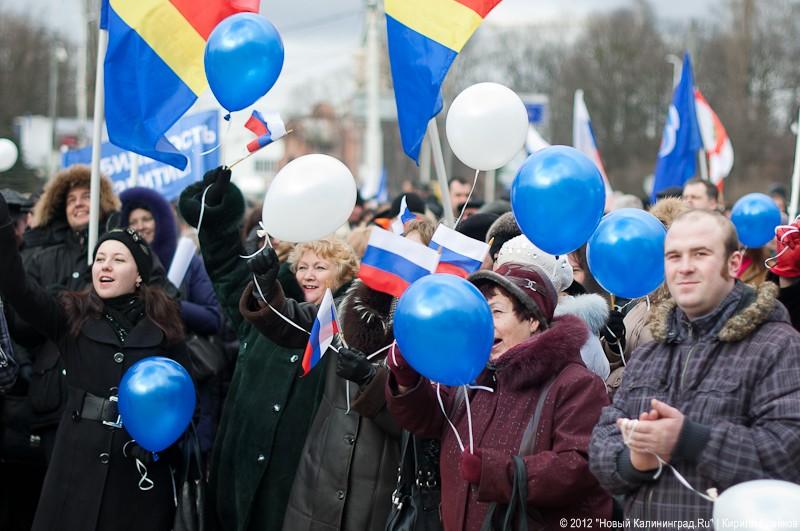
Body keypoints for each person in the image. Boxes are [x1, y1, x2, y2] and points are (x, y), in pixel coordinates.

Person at [589, 210, 800, 524]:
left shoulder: (777, 345)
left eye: (700, 254)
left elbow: (786, 457)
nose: (684, 267)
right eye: (674, 256)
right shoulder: (652, 350)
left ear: (733, 263)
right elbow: (601, 444)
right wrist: (634, 461)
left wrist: (690, 438)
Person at [0, 190, 190, 531]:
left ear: (140, 274)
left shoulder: (166, 328)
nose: (105, 265)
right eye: (100, 258)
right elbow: (17, 287)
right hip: (76, 465)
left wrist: (163, 445)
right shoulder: (70, 315)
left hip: (139, 473)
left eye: (118, 259)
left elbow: (184, 400)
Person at [386, 263, 612, 530]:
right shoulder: (471, 375)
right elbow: (428, 419)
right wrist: (406, 379)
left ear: (532, 320)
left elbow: (579, 466)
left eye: (495, 312)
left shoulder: (576, 385)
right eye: (479, 312)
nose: (482, 324)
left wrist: (496, 472)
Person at [178, 168, 330, 531]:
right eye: (303, 265)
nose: (309, 274)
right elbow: (227, 268)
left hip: (295, 492)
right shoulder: (260, 309)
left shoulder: (342, 332)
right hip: (237, 478)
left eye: (321, 267)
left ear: (342, 273)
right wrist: (213, 210)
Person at [245, 236, 402, 531]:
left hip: (380, 486)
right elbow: (291, 321)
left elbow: (417, 419)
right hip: (321, 476)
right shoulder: (342, 310)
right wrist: (266, 288)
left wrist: (371, 380)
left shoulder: (421, 329)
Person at [120, 187, 223, 455]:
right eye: (133, 222)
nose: (140, 226)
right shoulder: (118, 268)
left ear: (161, 220)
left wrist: (168, 302)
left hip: (183, 377)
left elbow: (213, 318)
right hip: (136, 381)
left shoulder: (187, 260)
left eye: (147, 218)